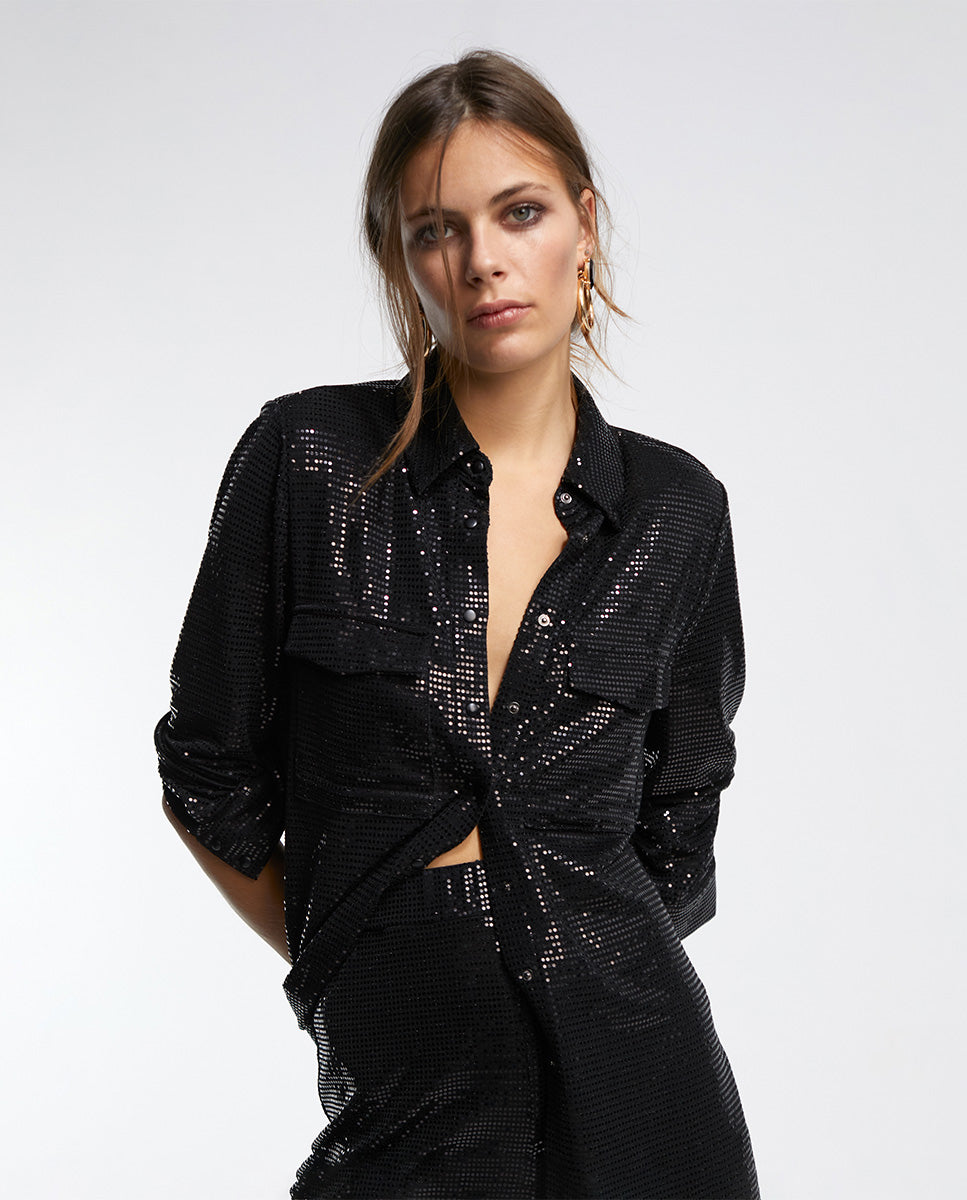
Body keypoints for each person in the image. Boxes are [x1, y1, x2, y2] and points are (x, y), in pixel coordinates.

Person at [155, 48, 760, 1200]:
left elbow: (682, 820)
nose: (483, 259)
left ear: (583, 227)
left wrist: (559, 934)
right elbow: (206, 766)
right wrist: (350, 942)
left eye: (519, 212)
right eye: (437, 229)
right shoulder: (308, 459)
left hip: (642, 1082)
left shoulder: (678, 510)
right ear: (399, 256)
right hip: (409, 1093)